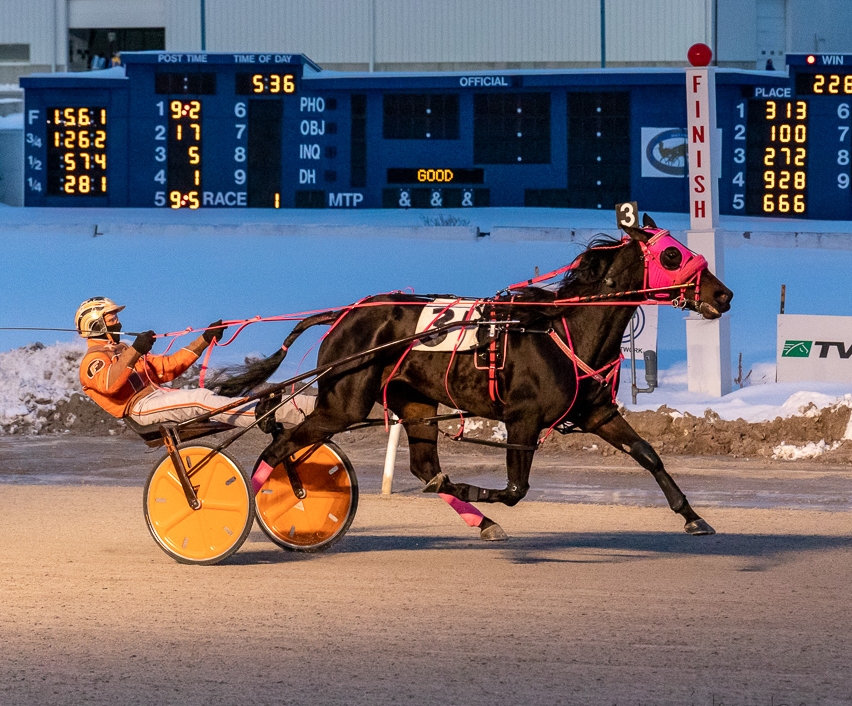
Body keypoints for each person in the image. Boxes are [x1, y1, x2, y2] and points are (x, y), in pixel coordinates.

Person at [75, 296, 313, 433]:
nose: (119, 323)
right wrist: (136, 349)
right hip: (140, 408)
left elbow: (168, 367)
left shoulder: (123, 350)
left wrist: (204, 338)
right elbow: (109, 384)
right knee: (200, 398)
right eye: (112, 319)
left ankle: (308, 406)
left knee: (229, 393)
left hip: (156, 397)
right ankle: (263, 415)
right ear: (97, 325)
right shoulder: (92, 361)